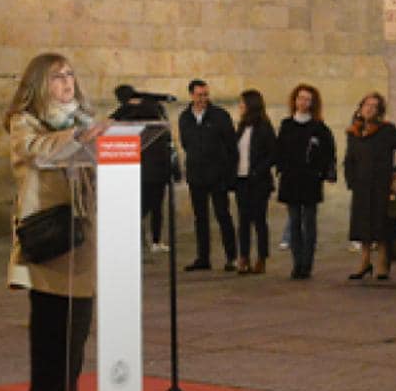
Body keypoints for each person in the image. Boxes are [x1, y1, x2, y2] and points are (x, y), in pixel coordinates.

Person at [6, 53, 105, 391]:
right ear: (38, 85)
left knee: (78, 321)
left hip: (83, 233)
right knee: (50, 319)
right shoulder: (26, 122)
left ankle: (68, 390)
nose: (67, 83)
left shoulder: (84, 120)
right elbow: (33, 150)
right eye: (57, 77)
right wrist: (78, 136)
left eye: (70, 75)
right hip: (50, 232)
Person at [344, 92, 396, 280]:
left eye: (374, 106)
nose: (369, 108)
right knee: (362, 224)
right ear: (360, 108)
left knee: (381, 225)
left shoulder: (387, 130)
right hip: (361, 185)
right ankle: (364, 262)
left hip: (381, 184)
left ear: (379, 110)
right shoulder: (354, 132)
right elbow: (350, 158)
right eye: (366, 105)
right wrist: (351, 179)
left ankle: (382, 262)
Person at [276, 84, 336, 280]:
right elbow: (280, 150)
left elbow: (328, 152)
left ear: (313, 103)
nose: (303, 102)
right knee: (294, 222)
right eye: (300, 98)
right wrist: (282, 168)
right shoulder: (286, 125)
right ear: (295, 100)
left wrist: (320, 172)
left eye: (307, 99)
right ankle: (297, 263)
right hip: (291, 180)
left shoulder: (319, 128)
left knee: (309, 223)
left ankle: (307, 264)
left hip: (310, 181)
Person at [178, 79, 238, 271]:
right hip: (196, 175)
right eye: (199, 95)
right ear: (191, 95)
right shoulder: (185, 117)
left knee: (223, 215)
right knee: (200, 218)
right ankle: (203, 257)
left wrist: (228, 172)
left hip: (218, 174)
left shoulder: (220, 116)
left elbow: (230, 145)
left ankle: (232, 257)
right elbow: (186, 143)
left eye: (205, 95)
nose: (203, 98)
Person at [111, 85, 173, 254]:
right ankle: (155, 240)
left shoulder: (126, 111)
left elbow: (110, 124)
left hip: (141, 166)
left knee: (142, 206)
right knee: (155, 207)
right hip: (156, 166)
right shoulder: (155, 107)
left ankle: (134, 238)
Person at [232, 89, 276, 274]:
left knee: (259, 220)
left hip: (258, 181)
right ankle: (243, 257)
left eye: (242, 103)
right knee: (243, 220)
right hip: (241, 179)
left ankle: (262, 258)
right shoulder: (242, 127)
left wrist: (258, 170)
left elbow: (272, 153)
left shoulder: (264, 127)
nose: (240, 106)